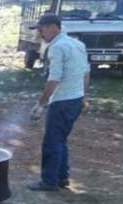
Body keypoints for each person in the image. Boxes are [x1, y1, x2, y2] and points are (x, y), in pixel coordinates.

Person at [28, 13, 90, 191]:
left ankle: (49, 181)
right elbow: (86, 73)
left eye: (42, 29)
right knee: (60, 140)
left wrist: (41, 104)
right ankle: (62, 177)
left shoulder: (57, 47)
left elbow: (54, 79)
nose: (40, 33)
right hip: (75, 99)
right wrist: (84, 97)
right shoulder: (78, 44)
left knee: (52, 142)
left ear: (53, 28)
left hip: (62, 101)